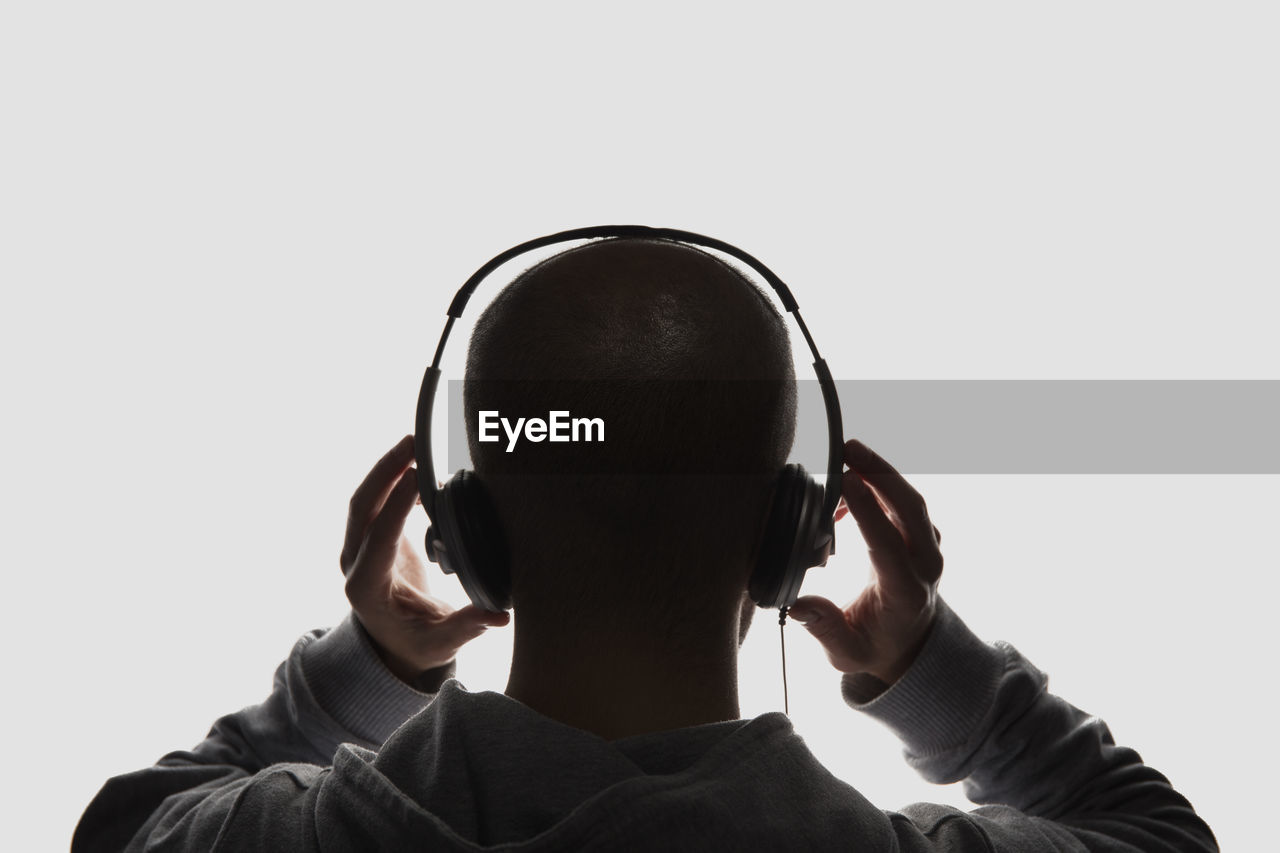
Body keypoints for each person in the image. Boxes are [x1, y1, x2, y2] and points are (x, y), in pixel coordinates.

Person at [73, 239, 1217, 851]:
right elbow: (1158, 835)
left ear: (469, 537)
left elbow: (120, 825)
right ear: (791, 536)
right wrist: (931, 673)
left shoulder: (273, 837)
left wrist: (367, 667)